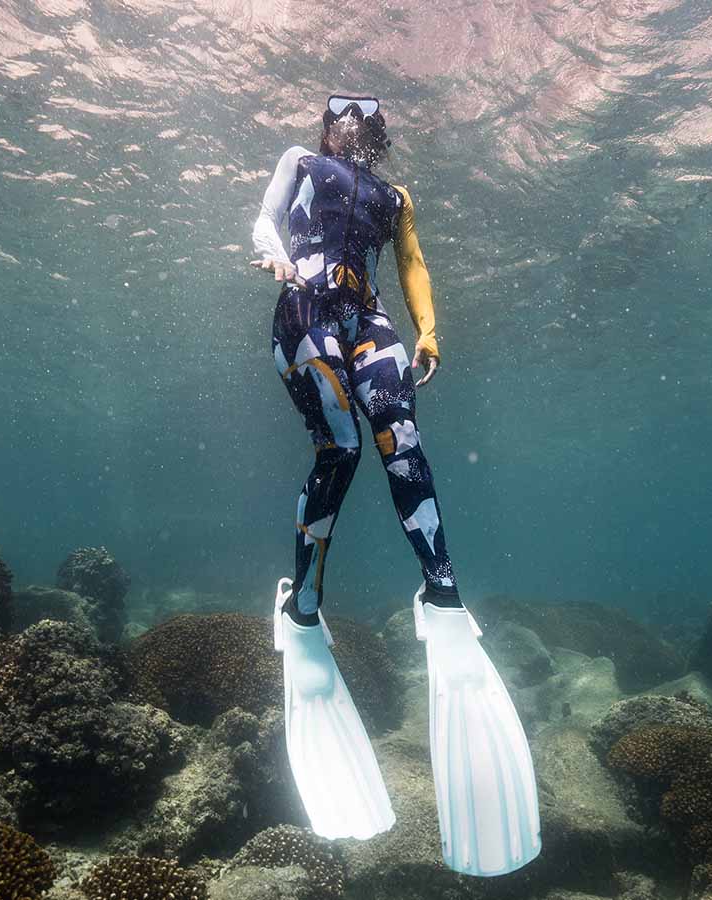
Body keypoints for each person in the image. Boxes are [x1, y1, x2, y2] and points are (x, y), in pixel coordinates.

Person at [251, 96, 541, 876]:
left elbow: (410, 262)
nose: (353, 116)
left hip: (369, 320)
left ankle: (443, 596)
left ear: (380, 133)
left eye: (366, 111)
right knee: (342, 449)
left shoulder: (395, 197)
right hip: (304, 304)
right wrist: (271, 251)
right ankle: (302, 609)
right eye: (340, 108)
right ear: (325, 125)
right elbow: (266, 218)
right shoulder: (299, 161)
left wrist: (430, 329)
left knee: (404, 448)